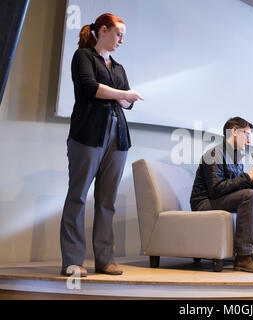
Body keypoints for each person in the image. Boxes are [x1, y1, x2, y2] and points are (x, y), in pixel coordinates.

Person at [60, 13, 144, 277]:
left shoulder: (118, 68)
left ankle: (105, 259)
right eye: (119, 34)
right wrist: (123, 95)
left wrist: (124, 98)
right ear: (103, 31)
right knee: (78, 197)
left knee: (107, 201)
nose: (121, 40)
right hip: (87, 134)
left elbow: (128, 103)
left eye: (123, 37)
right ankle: (72, 261)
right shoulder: (84, 56)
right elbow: (89, 87)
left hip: (117, 137)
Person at [190, 117, 253, 273]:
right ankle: (243, 257)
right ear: (233, 131)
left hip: (219, 199)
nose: (248, 141)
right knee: (249, 195)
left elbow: (236, 187)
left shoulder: (236, 158)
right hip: (204, 203)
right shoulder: (214, 154)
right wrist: (248, 177)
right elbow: (215, 190)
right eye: (246, 135)